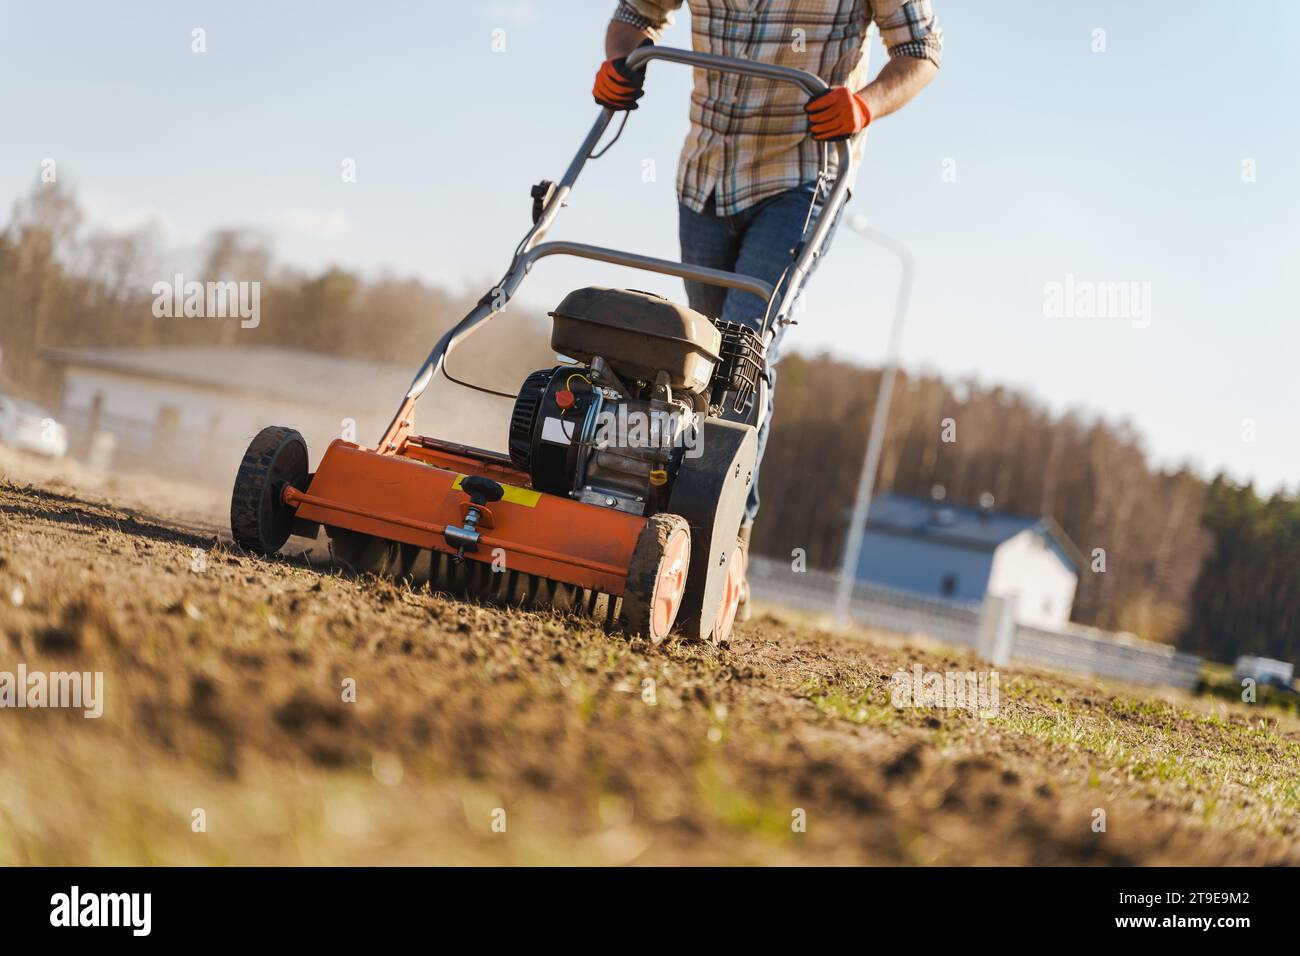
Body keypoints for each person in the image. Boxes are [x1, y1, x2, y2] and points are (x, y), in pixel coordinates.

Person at [593, 1, 941, 614]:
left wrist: (864, 105)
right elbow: (636, 13)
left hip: (802, 175)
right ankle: (640, 497)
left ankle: (725, 538)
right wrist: (619, 58)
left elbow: (919, 52)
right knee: (694, 352)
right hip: (704, 174)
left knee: (742, 344)